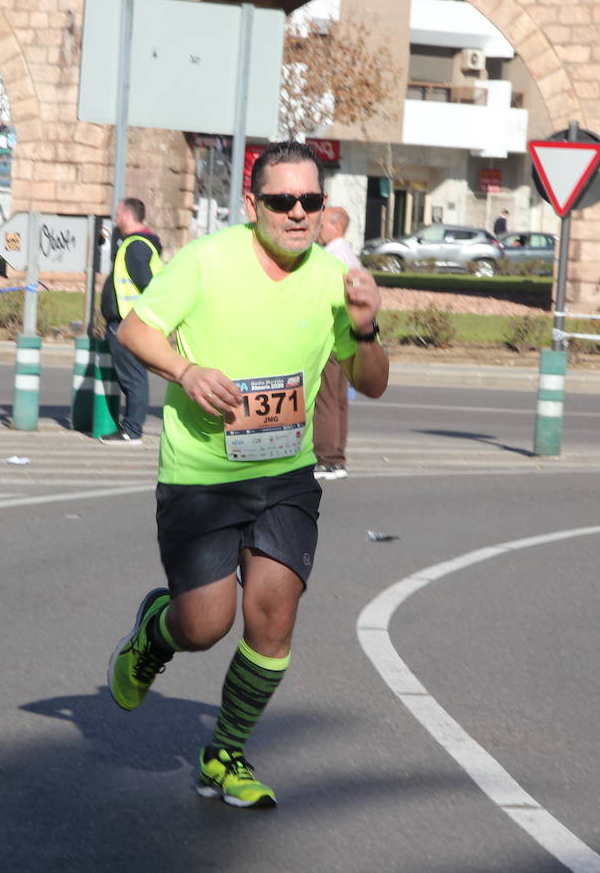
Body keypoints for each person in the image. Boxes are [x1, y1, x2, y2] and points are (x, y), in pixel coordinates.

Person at [106, 141, 388, 808]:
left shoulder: (333, 279)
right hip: (201, 475)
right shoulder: (207, 262)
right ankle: (156, 631)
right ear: (251, 204)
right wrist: (187, 370)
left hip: (286, 476)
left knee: (272, 616)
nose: (298, 213)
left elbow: (372, 384)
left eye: (310, 201)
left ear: (324, 207)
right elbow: (135, 330)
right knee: (205, 625)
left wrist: (369, 331)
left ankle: (224, 754)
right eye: (282, 201)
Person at [98, 197, 162, 445]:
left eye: (118, 214)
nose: (115, 219)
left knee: (133, 378)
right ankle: (130, 427)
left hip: (129, 324)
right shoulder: (137, 244)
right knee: (131, 377)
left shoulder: (136, 247)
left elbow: (150, 287)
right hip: (129, 322)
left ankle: (131, 431)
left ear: (126, 215)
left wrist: (139, 321)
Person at [312, 206, 361, 481]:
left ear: (337, 226)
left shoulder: (335, 257)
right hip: (347, 337)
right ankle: (336, 457)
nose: (318, 230)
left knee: (326, 399)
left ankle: (327, 458)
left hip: (333, 336)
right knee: (338, 399)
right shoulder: (348, 255)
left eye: (322, 225)